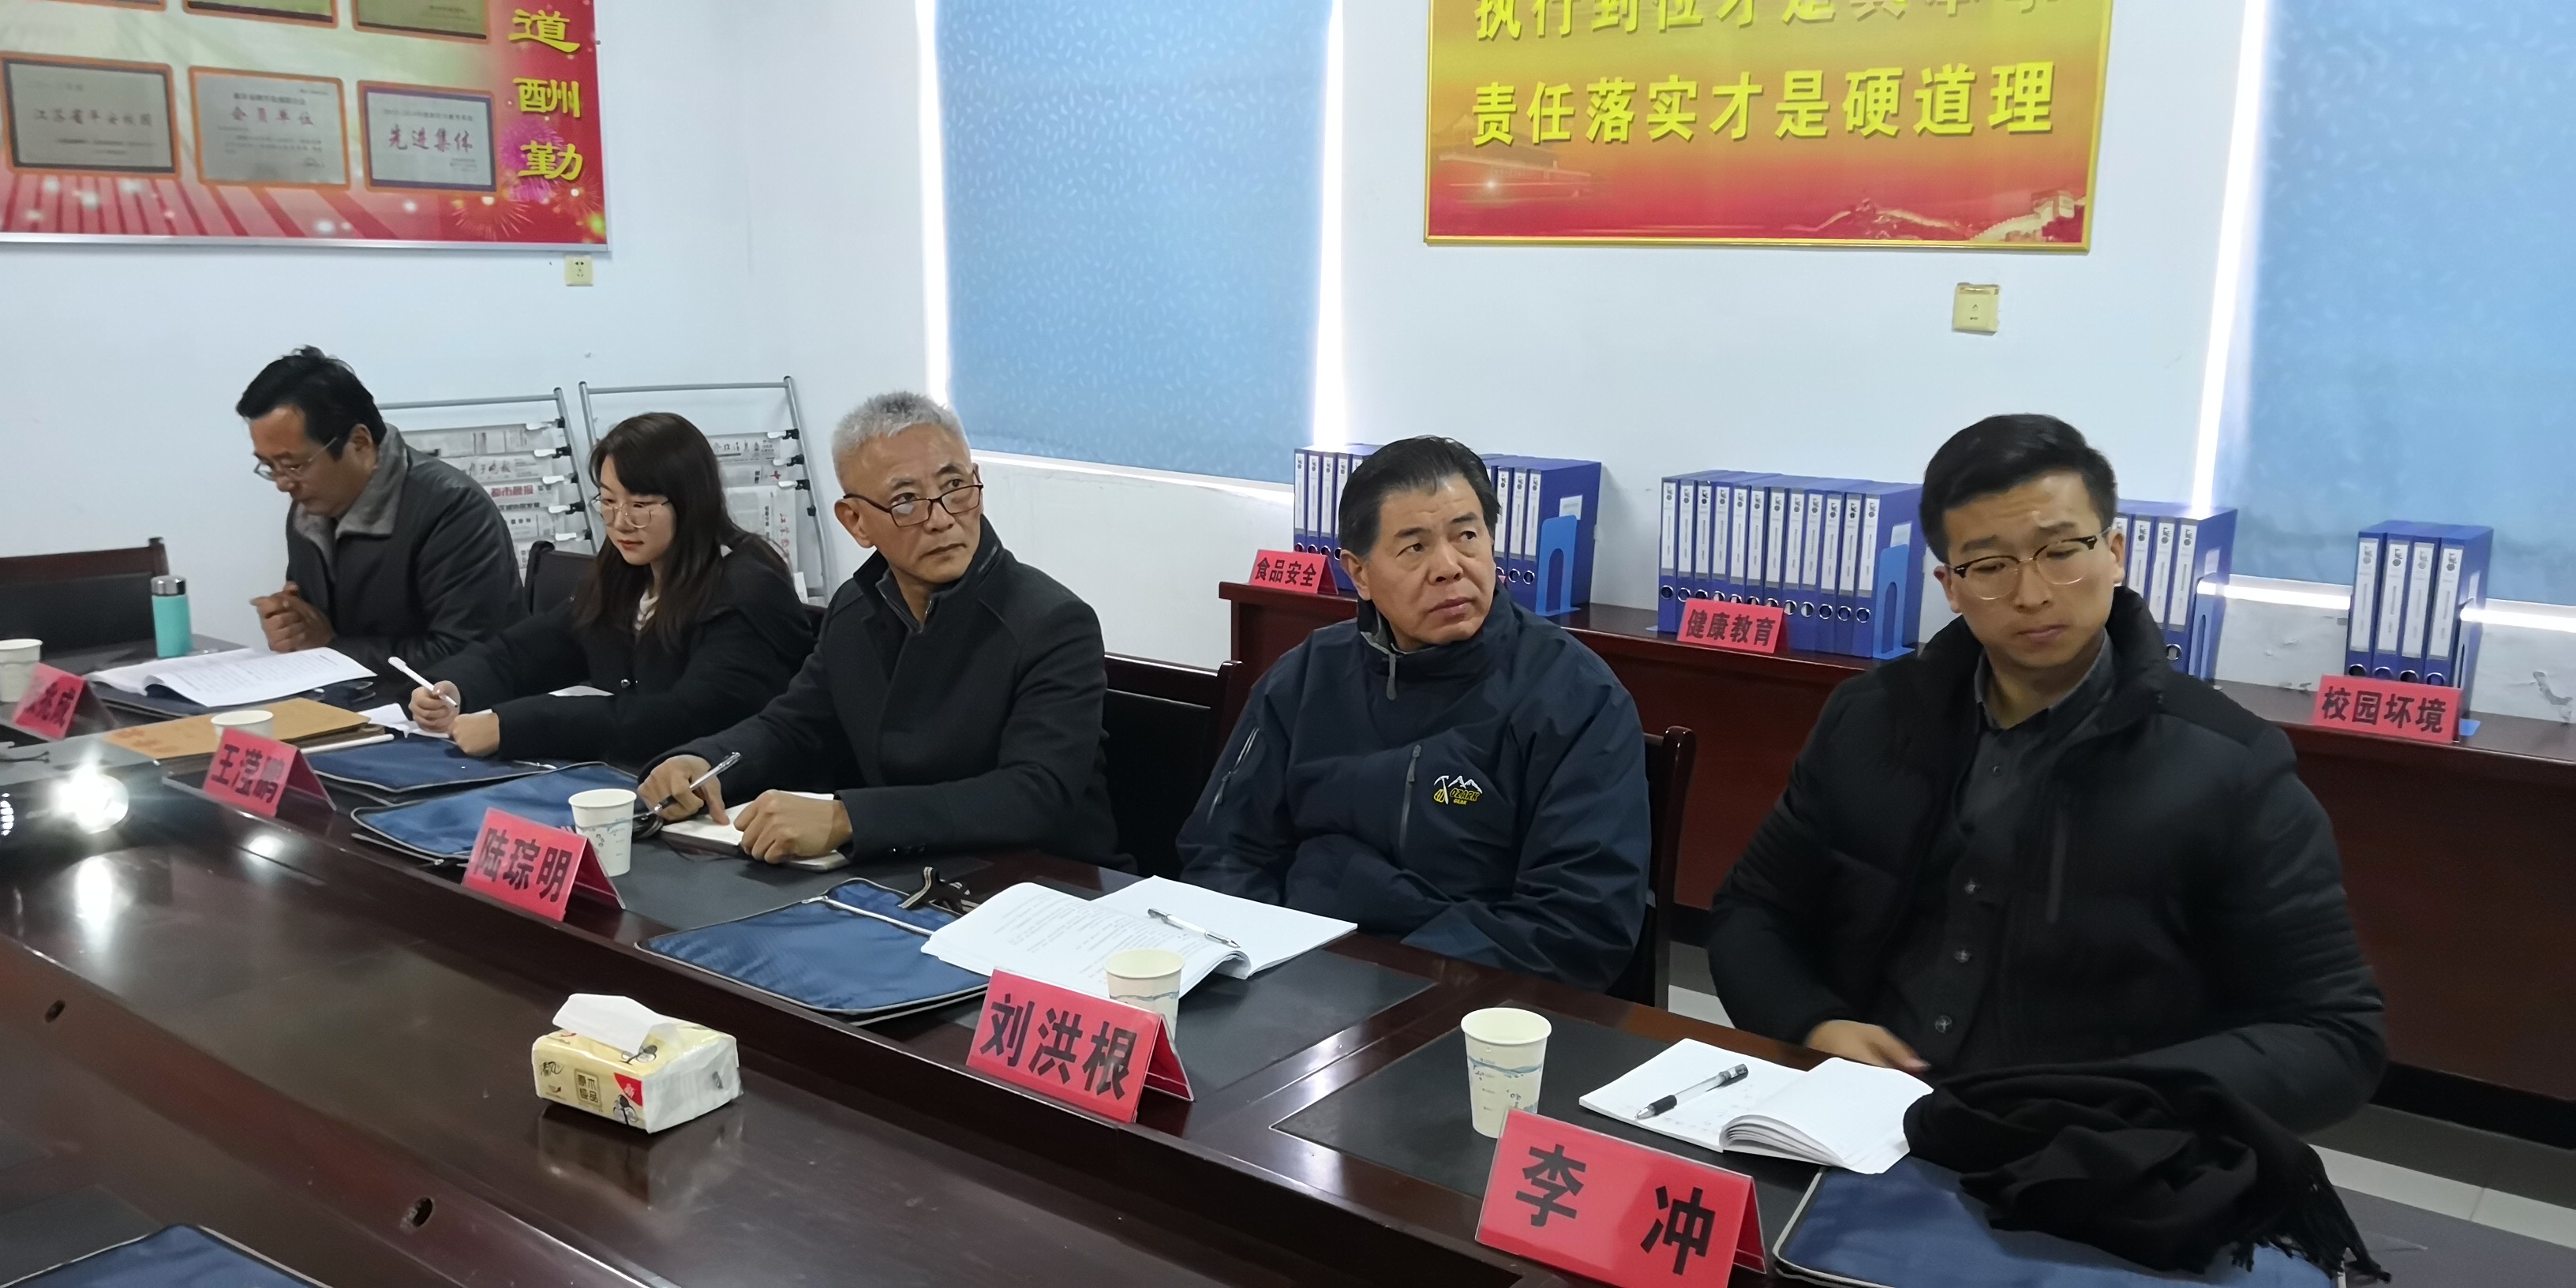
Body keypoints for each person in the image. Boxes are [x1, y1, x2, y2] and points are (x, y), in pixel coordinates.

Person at [1703, 414, 2385, 1133]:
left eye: (2061, 552)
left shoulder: (2229, 763)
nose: (2031, 594)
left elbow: (2336, 1034)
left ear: (2114, 554)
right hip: (1862, 1122)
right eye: (1990, 566)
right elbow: (1754, 910)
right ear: (1950, 586)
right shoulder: (1870, 719)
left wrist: (2120, 1101)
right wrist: (1815, 1026)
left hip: (2091, 1150)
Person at [1177, 437, 1650, 990]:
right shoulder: (1306, 676)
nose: (1449, 568)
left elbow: (1576, 922)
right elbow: (1222, 850)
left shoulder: (1575, 695)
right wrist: (1265, 962)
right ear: (1359, 573)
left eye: (1467, 536)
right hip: (1295, 978)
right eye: (1415, 547)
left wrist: (1389, 982)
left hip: (1466, 997)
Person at [637, 393, 1119, 867]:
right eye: (906, 501)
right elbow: (795, 727)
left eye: (956, 487)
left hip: (1046, 882)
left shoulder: (1053, 622)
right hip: (910, 868)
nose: (941, 519)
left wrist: (849, 819)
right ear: (856, 522)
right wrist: (705, 763)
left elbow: (1033, 793)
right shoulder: (856, 607)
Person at [405, 413, 814, 766]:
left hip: (729, 791)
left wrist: (516, 726)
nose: (620, 523)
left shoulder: (746, 586)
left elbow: (687, 718)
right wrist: (455, 687)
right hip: (631, 774)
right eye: (608, 501)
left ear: (691, 502)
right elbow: (525, 651)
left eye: (640, 505)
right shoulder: (626, 571)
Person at [238, 346, 521, 676]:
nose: (283, 483)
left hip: (451, 701)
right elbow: (313, 628)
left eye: (294, 465)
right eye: (269, 466)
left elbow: (467, 653)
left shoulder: (451, 508)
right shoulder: (310, 511)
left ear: (359, 442)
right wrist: (292, 624)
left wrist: (331, 648)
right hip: (352, 696)